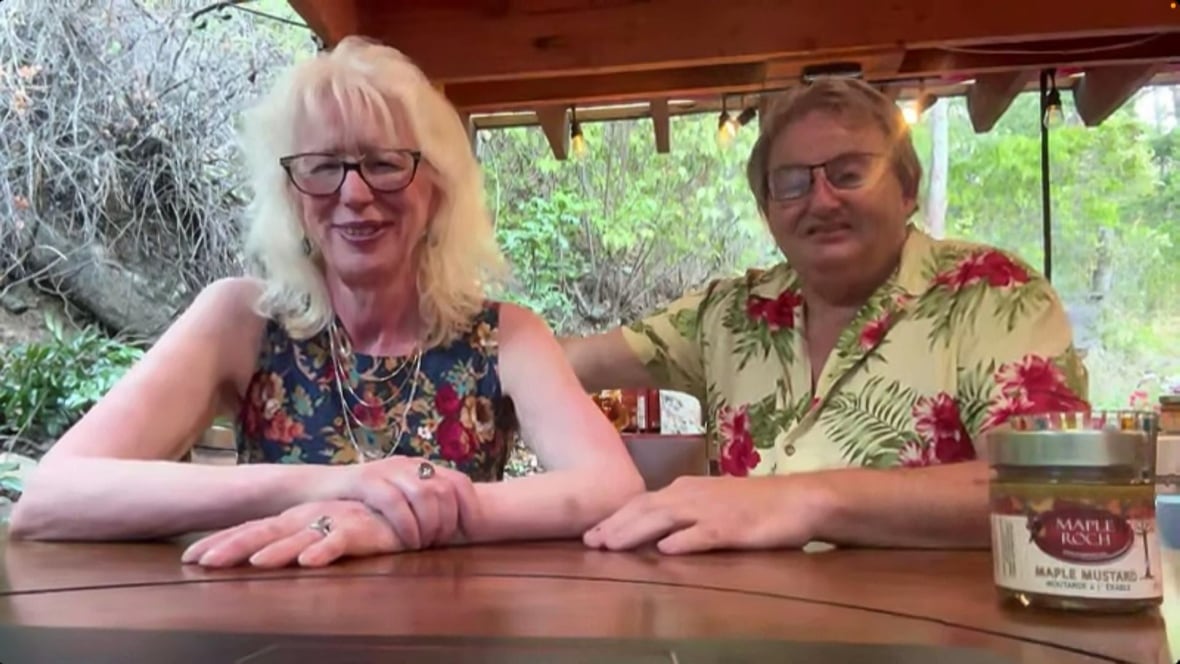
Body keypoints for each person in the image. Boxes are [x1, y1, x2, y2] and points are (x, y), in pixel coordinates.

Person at [9, 36, 644, 567]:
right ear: (292, 194)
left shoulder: (507, 336)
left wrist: (404, 516)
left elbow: (613, 488)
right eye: (322, 166)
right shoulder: (241, 320)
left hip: (456, 640)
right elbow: (52, 496)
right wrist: (341, 483)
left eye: (384, 163)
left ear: (438, 191)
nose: (354, 193)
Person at [566, 78, 1089, 555]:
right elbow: (558, 361)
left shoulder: (992, 293)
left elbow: (1054, 486)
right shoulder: (726, 314)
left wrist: (804, 501)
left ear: (907, 190)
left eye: (849, 173)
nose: (821, 199)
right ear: (769, 214)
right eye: (791, 183)